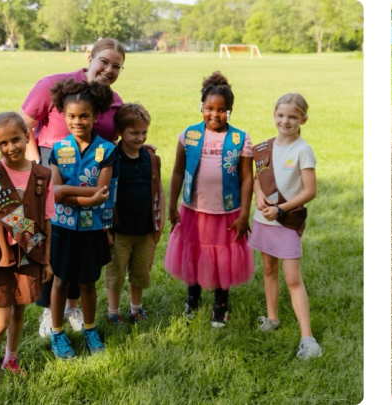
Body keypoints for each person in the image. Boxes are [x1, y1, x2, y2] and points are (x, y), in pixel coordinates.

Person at [20, 38, 126, 336]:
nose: (109, 69)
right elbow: (23, 123)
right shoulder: (53, 85)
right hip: (49, 166)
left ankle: (73, 306)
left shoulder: (114, 101)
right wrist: (35, 166)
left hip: (91, 174)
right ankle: (48, 310)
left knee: (80, 240)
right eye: (104, 61)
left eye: (116, 66)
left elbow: (113, 142)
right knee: (50, 238)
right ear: (89, 57)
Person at [0, 112, 54, 388]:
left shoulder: (43, 176)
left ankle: (11, 359)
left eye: (16, 139)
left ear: (27, 137)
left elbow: (47, 219)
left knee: (20, 312)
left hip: (31, 253)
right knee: (0, 320)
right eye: (3, 143)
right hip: (1, 259)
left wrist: (47, 260)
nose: (11, 147)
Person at [165, 71, 254, 328]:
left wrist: (245, 214)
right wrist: (172, 206)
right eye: (209, 108)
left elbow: (248, 179)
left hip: (226, 212)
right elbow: (178, 171)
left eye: (222, 110)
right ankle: (192, 296)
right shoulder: (189, 135)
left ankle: (220, 304)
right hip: (193, 208)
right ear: (201, 107)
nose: (215, 114)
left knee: (223, 258)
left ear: (230, 111)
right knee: (192, 251)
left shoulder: (240, 138)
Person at [46, 79, 117, 359]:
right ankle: (57, 333)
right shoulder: (58, 149)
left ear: (96, 116)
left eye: (84, 116)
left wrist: (65, 191)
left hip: (92, 228)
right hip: (62, 228)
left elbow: (102, 192)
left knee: (88, 282)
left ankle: (89, 329)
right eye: (72, 116)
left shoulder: (107, 151)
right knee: (60, 281)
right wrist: (81, 197)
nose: (78, 121)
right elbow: (54, 193)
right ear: (64, 116)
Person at [250, 93, 321, 359]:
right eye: (281, 115)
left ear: (303, 119)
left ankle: (307, 337)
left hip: (286, 221)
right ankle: (272, 318)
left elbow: (309, 191)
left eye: (292, 116)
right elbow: (256, 178)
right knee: (268, 269)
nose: (285, 121)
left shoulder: (303, 150)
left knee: (292, 278)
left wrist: (280, 209)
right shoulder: (263, 148)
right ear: (274, 115)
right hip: (262, 220)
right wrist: (258, 195)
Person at [104, 104, 163, 325]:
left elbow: (158, 192)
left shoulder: (150, 158)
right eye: (134, 133)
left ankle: (136, 308)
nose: (140, 137)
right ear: (120, 132)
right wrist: (107, 228)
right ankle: (113, 311)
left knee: (140, 272)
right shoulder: (112, 157)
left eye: (144, 133)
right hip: (119, 230)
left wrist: (159, 223)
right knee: (116, 273)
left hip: (145, 228)